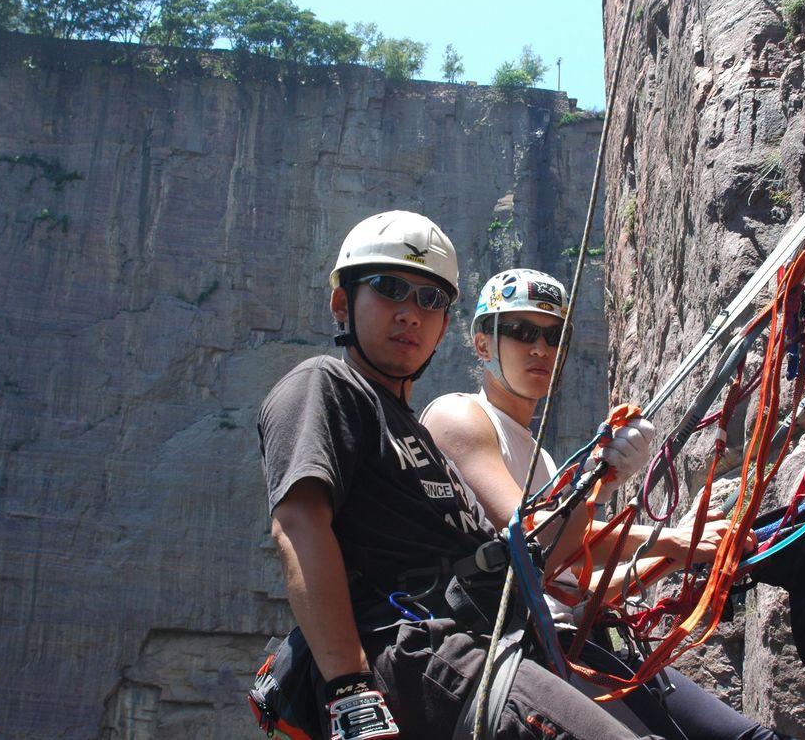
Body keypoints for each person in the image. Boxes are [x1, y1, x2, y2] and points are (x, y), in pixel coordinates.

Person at [258, 212, 675, 740]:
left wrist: (602, 480)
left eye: (430, 300)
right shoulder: (325, 385)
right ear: (343, 303)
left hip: (488, 648)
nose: (411, 314)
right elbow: (298, 525)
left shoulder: (412, 432)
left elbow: (540, 557)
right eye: (390, 290)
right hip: (421, 655)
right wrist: (349, 686)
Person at [421, 267, 790, 740]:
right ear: (482, 343)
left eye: (554, 336)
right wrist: (607, 485)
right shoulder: (460, 417)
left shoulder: (541, 458)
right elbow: (535, 543)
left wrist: (675, 549)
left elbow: (579, 574)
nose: (540, 348)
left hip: (579, 643)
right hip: (530, 656)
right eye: (520, 331)